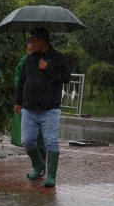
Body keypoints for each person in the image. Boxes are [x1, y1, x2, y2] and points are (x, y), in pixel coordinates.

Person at [15, 28, 71, 187]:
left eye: (33, 40)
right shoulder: (29, 59)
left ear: (43, 41)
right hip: (29, 108)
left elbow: (65, 78)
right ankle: (38, 165)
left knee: (51, 142)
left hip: (49, 109)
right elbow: (22, 81)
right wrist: (17, 101)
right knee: (27, 141)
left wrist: (48, 68)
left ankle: (51, 175)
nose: (30, 43)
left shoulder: (58, 58)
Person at [12, 39, 47, 179]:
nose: (29, 53)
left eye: (32, 50)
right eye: (28, 50)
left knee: (41, 138)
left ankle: (41, 166)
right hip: (27, 105)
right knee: (28, 139)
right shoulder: (23, 63)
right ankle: (37, 165)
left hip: (42, 106)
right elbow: (18, 81)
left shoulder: (43, 61)